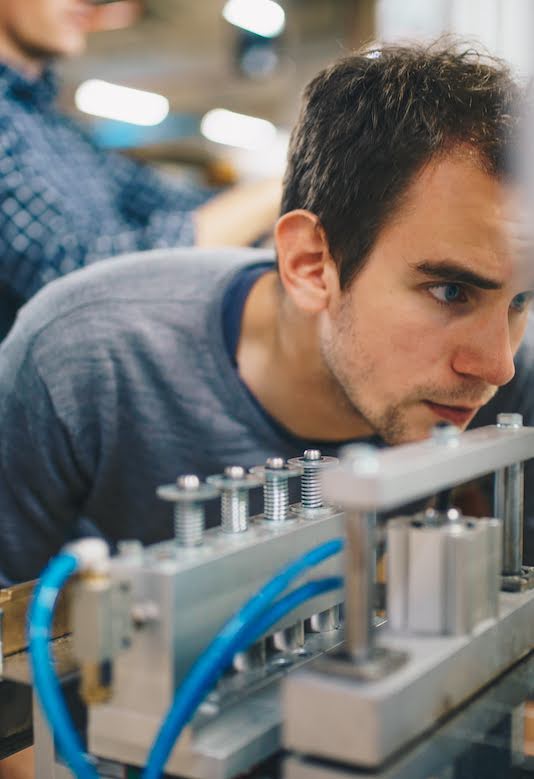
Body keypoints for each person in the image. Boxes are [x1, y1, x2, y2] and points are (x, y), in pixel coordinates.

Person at [0, 40, 533, 589]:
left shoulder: (518, 387)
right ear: (309, 264)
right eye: (450, 291)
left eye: (521, 300)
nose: (497, 368)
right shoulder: (82, 356)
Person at [0, 0, 281, 337]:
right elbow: (77, 282)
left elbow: (168, 199)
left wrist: (275, 201)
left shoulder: (56, 128)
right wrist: (273, 194)